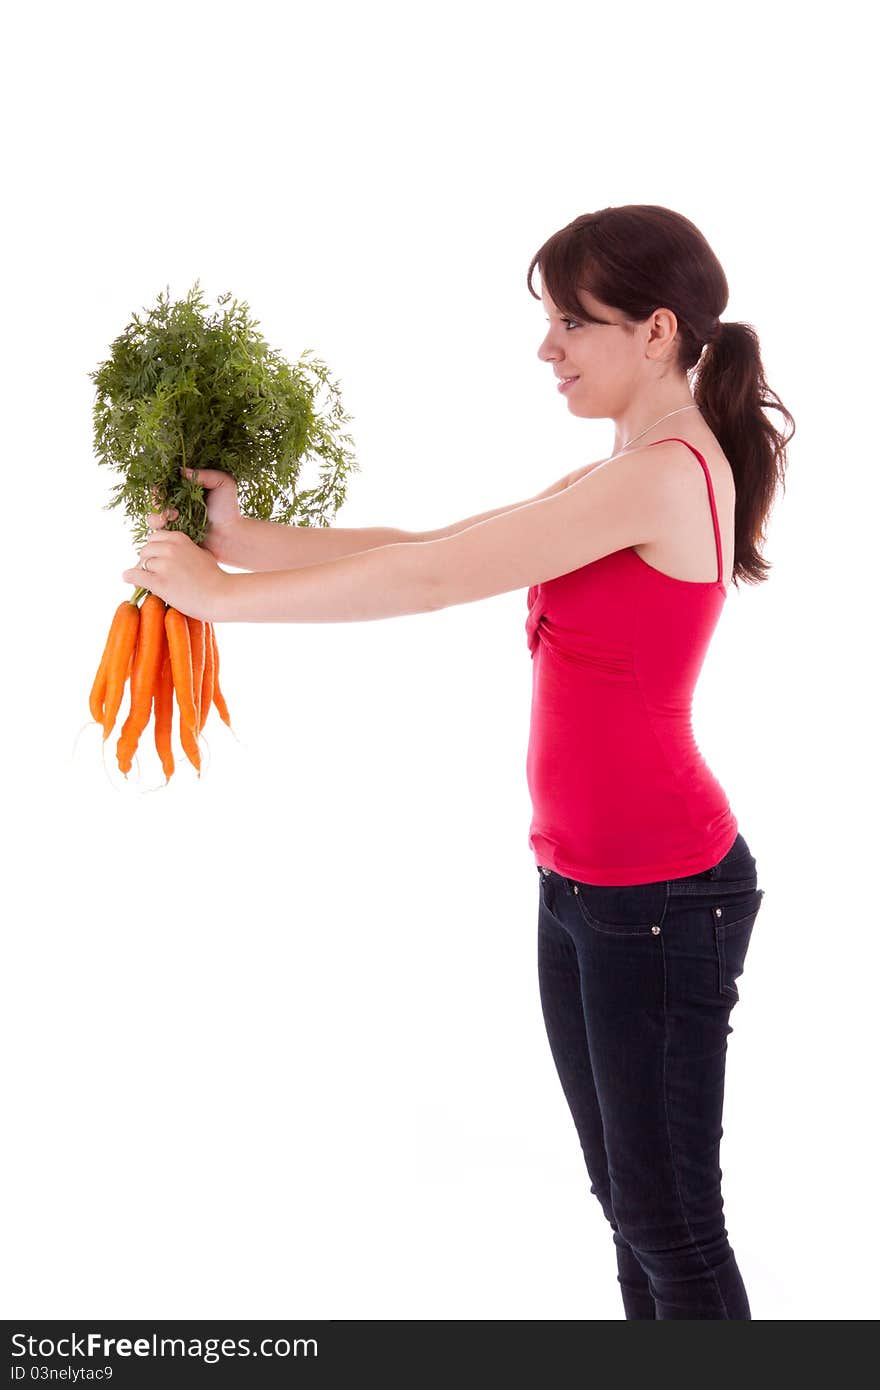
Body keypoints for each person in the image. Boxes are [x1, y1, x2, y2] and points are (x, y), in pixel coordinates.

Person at [124, 203, 794, 1321]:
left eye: (571, 324)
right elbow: (436, 545)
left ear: (658, 331)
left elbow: (436, 586)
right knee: (632, 1210)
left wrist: (224, 601)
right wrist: (243, 541)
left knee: (671, 1223)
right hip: (583, 889)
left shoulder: (664, 474)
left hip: (664, 899)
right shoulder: (626, 464)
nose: (547, 349)